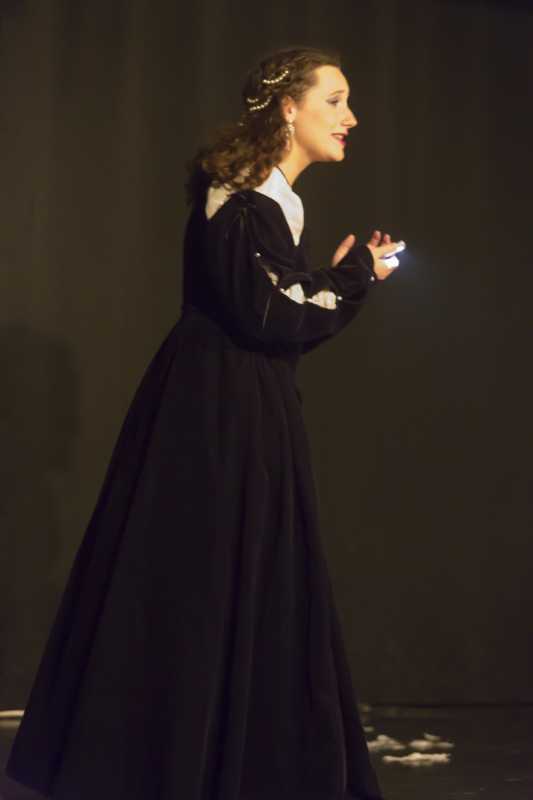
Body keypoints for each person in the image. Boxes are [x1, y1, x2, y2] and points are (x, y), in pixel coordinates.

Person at [5, 46, 404, 800]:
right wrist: (352, 279)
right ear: (288, 107)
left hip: (247, 402)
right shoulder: (242, 197)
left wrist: (345, 278)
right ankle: (170, 764)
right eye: (335, 100)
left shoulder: (269, 201)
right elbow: (270, 313)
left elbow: (276, 309)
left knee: (241, 573)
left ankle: (235, 761)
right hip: (216, 413)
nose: (350, 117)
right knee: (203, 574)